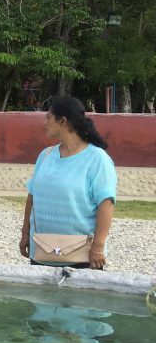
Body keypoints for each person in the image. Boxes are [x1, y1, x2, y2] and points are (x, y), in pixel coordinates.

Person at [19, 96, 116, 270]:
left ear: (63, 121)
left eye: (48, 117)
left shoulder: (97, 159)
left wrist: (98, 247)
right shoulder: (46, 155)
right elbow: (31, 197)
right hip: (41, 252)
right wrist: (25, 233)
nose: (44, 123)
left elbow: (106, 203)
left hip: (82, 256)